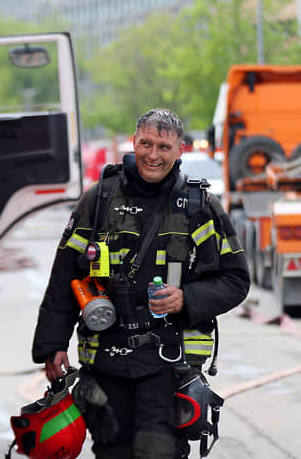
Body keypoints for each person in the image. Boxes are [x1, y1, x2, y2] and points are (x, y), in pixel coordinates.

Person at [32, 108, 250, 458]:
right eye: (145, 143)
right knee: (111, 452)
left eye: (163, 147)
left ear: (180, 150)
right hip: (105, 361)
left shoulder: (199, 206)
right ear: (133, 142)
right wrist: (50, 345)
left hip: (168, 361)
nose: (152, 155)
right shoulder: (98, 199)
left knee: (157, 452)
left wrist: (186, 299)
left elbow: (236, 279)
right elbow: (64, 279)